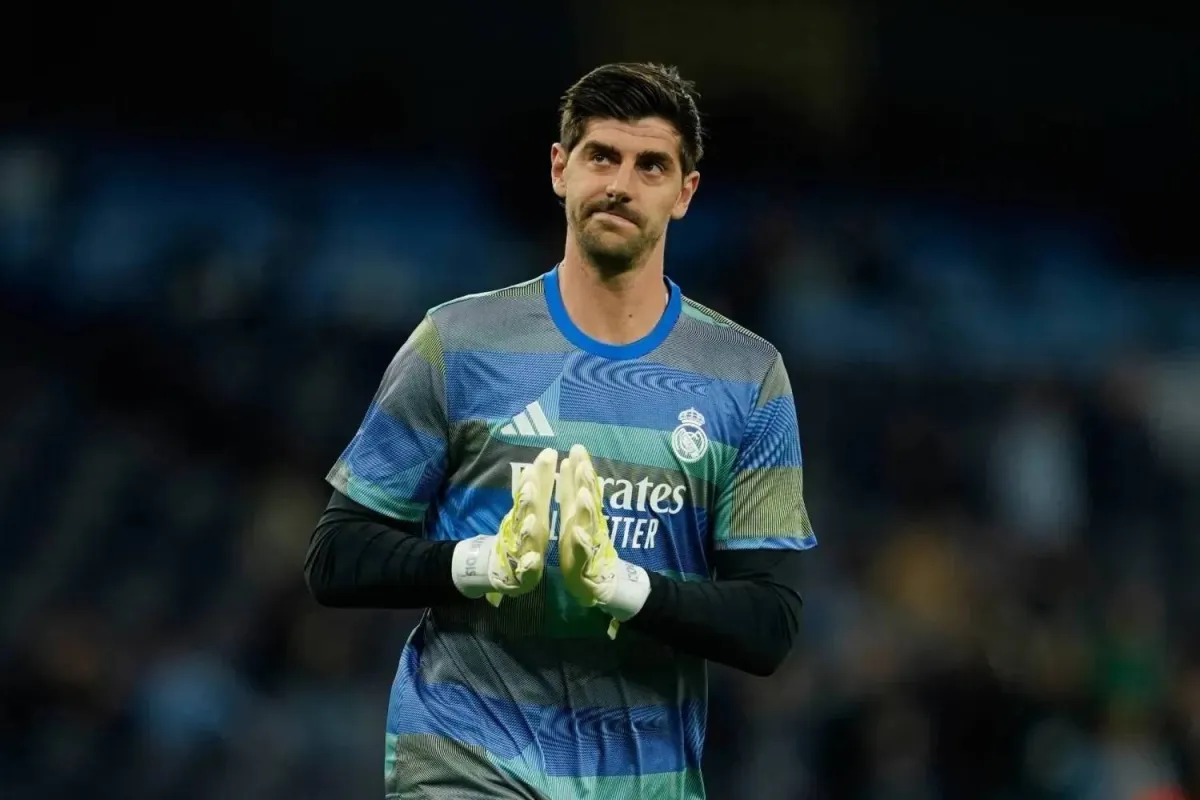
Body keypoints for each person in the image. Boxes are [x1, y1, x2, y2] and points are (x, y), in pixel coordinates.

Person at [305, 62, 818, 800]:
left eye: (651, 166)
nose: (621, 183)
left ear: (685, 193)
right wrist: (479, 564)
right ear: (559, 169)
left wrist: (625, 587)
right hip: (462, 762)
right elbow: (335, 557)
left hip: (640, 780)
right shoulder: (456, 343)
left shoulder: (747, 375)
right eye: (601, 156)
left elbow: (770, 624)